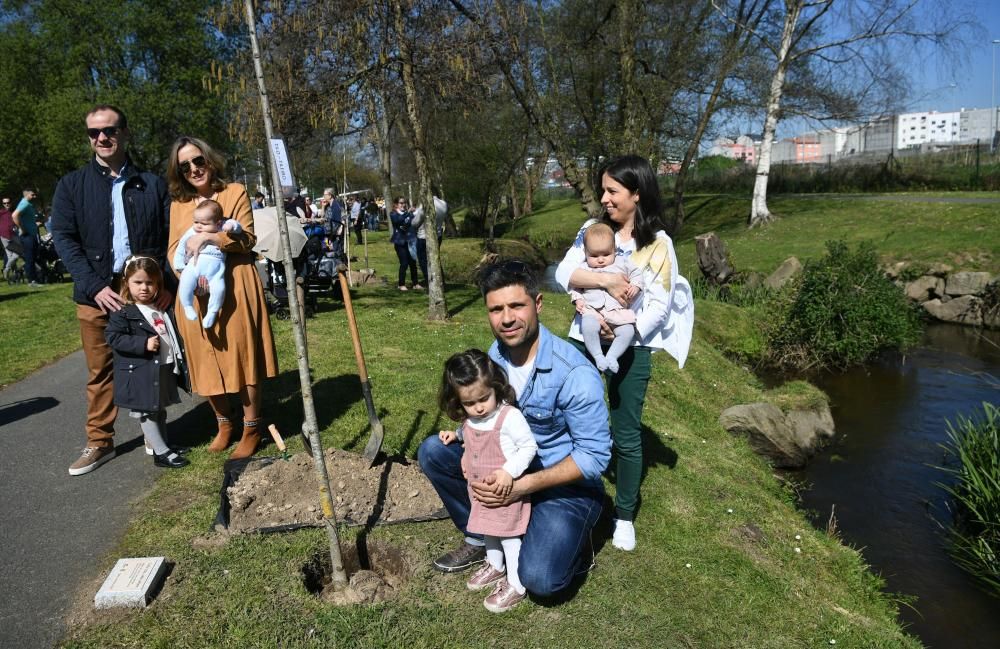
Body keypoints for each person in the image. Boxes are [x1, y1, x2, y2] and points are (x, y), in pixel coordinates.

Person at [418, 261, 610, 603]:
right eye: (496, 309)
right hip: (510, 467)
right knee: (434, 451)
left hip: (565, 485)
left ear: (537, 304)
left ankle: (574, 538)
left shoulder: (575, 374)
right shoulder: (497, 355)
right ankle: (481, 535)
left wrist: (522, 486)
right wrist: (463, 434)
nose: (507, 319)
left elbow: (594, 458)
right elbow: (492, 415)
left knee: (540, 580)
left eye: (516, 306)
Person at [554, 154, 694, 552]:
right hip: (583, 337)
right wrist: (608, 283)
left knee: (627, 433)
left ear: (636, 193)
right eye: (604, 189)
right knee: (567, 415)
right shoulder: (592, 230)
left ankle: (625, 515)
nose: (605, 198)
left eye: (612, 190)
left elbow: (659, 306)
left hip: (633, 345)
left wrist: (622, 332)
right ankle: (571, 495)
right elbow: (565, 273)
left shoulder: (659, 245)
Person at [52, 104, 174, 476]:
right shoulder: (72, 185)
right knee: (100, 372)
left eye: (109, 130)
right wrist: (94, 287)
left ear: (124, 132)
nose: (102, 138)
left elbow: (171, 237)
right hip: (97, 296)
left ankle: (156, 439)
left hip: (147, 296)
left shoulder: (151, 184)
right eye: (94, 133)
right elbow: (64, 238)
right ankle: (100, 442)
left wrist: (166, 282)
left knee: (152, 365)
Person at [166, 136, 279, 459]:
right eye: (184, 165)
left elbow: (247, 238)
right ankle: (224, 424)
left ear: (209, 160)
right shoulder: (178, 205)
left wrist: (210, 238)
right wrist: (189, 278)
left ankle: (251, 427)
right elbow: (174, 248)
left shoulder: (235, 192)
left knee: (243, 357)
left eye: (198, 160)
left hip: (237, 283)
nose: (193, 169)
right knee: (205, 359)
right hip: (195, 290)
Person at [437, 349, 537, 613]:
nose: (479, 407)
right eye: (470, 404)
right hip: (480, 490)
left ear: (496, 388)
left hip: (504, 491)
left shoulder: (509, 417)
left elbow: (528, 447)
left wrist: (508, 471)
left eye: (485, 398)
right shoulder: (473, 419)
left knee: (509, 537)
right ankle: (495, 565)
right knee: (488, 529)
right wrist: (456, 436)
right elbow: (469, 430)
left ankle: (516, 584)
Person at [104, 256, 190, 469]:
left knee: (159, 409)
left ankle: (164, 446)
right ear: (127, 283)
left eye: (150, 283)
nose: (144, 288)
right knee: (147, 412)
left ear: (158, 284)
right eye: (138, 282)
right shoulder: (123, 312)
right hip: (140, 372)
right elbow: (113, 338)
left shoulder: (160, 307)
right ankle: (161, 453)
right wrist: (142, 343)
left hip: (161, 367)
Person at [569, 222, 643, 373]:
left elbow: (637, 274)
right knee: (588, 326)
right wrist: (577, 299)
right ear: (586, 253)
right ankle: (598, 356)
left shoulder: (623, 263)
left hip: (617, 311)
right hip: (592, 310)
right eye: (594, 256)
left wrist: (636, 286)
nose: (600, 260)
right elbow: (575, 287)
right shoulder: (584, 268)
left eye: (606, 254)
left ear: (614, 250)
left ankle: (612, 356)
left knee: (628, 331)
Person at [172, 199, 242, 329]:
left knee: (219, 289)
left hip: (216, 270)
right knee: (186, 283)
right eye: (196, 222)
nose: (198, 226)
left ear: (218, 223)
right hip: (194, 265)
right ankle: (187, 306)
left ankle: (212, 312)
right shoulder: (192, 232)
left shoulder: (221, 228)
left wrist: (231, 226)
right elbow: (181, 247)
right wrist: (180, 266)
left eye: (204, 223)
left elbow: (238, 227)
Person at [389, 197, 420, 291]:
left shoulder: (409, 214)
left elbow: (413, 222)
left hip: (410, 241)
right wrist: (408, 213)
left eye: (404, 203)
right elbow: (398, 221)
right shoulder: (393, 213)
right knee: (404, 263)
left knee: (413, 263)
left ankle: (415, 283)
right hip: (399, 242)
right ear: (396, 204)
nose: (403, 205)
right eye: (401, 203)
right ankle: (401, 284)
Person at [12, 189, 41, 287]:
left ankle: (34, 278)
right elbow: (14, 215)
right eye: (32, 195)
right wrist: (22, 228)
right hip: (27, 235)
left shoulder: (27, 204)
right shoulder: (24, 203)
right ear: (27, 195)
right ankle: (31, 281)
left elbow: (25, 218)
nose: (34, 197)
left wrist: (34, 224)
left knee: (32, 257)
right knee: (30, 258)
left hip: (31, 234)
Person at [1, 196, 19, 280]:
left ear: (11, 203)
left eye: (8, 203)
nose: (6, 204)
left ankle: (6, 269)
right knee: (10, 255)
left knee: (16, 254)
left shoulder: (14, 212)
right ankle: (15, 274)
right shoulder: (1, 212)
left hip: (13, 236)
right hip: (3, 236)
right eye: (4, 203)